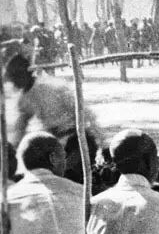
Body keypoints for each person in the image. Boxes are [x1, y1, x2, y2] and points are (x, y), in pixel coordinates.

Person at [3, 53, 105, 183]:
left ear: (26, 73)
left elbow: (86, 114)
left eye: (17, 76)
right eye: (13, 77)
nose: (15, 81)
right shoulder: (23, 100)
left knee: (70, 177)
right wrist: (10, 154)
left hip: (76, 139)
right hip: (52, 143)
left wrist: (102, 143)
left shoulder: (54, 87)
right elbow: (19, 130)